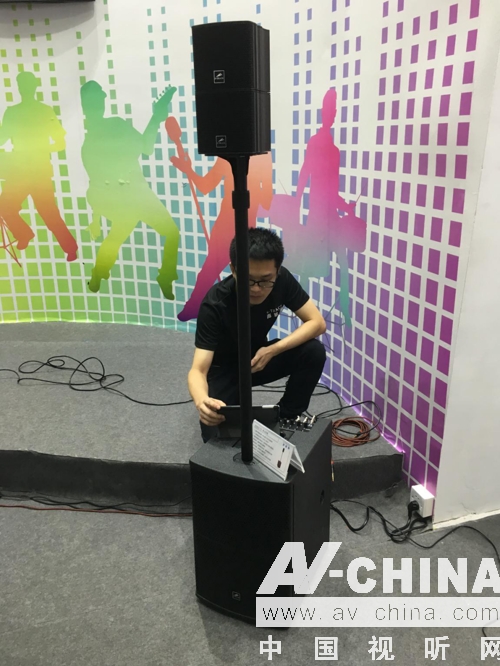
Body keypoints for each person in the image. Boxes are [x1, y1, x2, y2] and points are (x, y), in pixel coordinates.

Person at [187, 227, 327, 442]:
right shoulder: (215, 304)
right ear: (233, 270)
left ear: (277, 271)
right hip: (223, 371)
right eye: (248, 279)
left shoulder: (283, 280)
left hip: (257, 359)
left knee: (313, 351)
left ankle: (287, 415)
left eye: (265, 280)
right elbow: (198, 370)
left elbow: (317, 323)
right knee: (219, 438)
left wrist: (273, 350)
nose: (256, 289)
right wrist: (201, 401)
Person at [80, 81, 179, 299]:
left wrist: (156, 117)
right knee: (168, 233)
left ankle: (99, 273)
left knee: (119, 235)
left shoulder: (91, 142)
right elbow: (146, 147)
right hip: (132, 196)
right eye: (98, 98)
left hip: (132, 196)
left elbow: (96, 186)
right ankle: (163, 276)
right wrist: (156, 118)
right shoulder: (107, 131)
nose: (102, 100)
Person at [0, 71, 78, 260]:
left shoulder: (42, 111)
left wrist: (40, 148)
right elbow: (2, 139)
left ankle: (69, 248)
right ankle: (25, 234)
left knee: (49, 213)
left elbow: (60, 142)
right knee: (5, 207)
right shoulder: (18, 112)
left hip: (35, 171)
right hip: (22, 170)